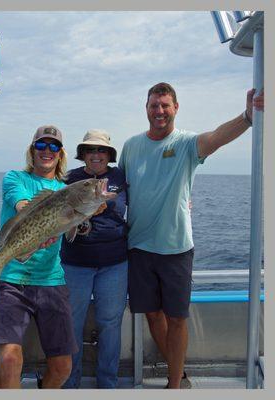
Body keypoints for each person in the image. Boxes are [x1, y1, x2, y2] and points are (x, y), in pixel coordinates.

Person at [118, 82, 264, 389]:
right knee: (153, 316)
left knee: (177, 319)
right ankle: (178, 371)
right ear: (146, 109)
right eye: (154, 105)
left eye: (165, 105)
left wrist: (247, 117)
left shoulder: (185, 143)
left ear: (175, 108)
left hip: (176, 249)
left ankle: (174, 384)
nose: (159, 111)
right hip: (139, 247)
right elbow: (119, 192)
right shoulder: (131, 146)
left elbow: (216, 138)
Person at [0, 125, 78, 389]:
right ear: (32, 150)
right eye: (41, 145)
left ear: (60, 154)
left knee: (63, 367)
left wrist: (82, 219)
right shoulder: (14, 177)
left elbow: (73, 229)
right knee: (10, 359)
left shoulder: (66, 190)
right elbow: (21, 204)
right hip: (12, 281)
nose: (46, 151)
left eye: (53, 147)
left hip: (51, 281)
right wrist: (40, 225)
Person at [61, 129, 128, 389]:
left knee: (110, 324)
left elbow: (129, 204)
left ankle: (107, 385)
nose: (96, 155)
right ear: (83, 155)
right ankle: (70, 384)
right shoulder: (70, 179)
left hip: (114, 263)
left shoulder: (119, 176)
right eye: (90, 150)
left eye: (101, 150)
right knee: (72, 324)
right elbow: (61, 216)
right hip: (75, 264)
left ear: (109, 154)